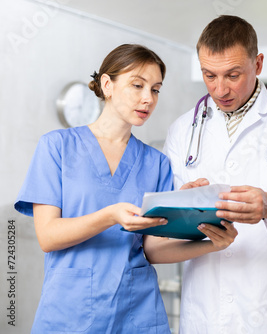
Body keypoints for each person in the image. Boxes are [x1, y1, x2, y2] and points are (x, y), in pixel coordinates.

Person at [14, 44, 237, 334]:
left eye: (155, 89)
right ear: (107, 84)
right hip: (70, 313)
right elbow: (48, 236)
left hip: (138, 312)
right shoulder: (57, 147)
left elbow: (153, 250)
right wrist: (110, 216)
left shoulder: (156, 162)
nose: (148, 99)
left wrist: (210, 242)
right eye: (137, 85)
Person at [163, 15, 267, 333]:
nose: (220, 88)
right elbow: (169, 226)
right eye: (209, 75)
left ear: (257, 63)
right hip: (207, 308)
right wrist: (182, 204)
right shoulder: (182, 129)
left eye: (232, 74)